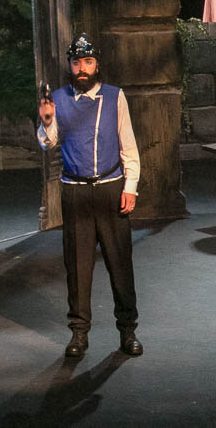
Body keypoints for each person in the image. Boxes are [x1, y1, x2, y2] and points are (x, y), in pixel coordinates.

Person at [37, 34, 143, 358]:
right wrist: (47, 120)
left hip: (111, 189)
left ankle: (128, 331)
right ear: (70, 66)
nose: (81, 68)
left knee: (120, 264)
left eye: (87, 62)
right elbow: (47, 143)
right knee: (78, 267)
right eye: (76, 63)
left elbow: (128, 145)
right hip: (76, 192)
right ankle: (79, 333)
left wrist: (130, 187)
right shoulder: (58, 99)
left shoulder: (114, 96)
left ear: (97, 65)